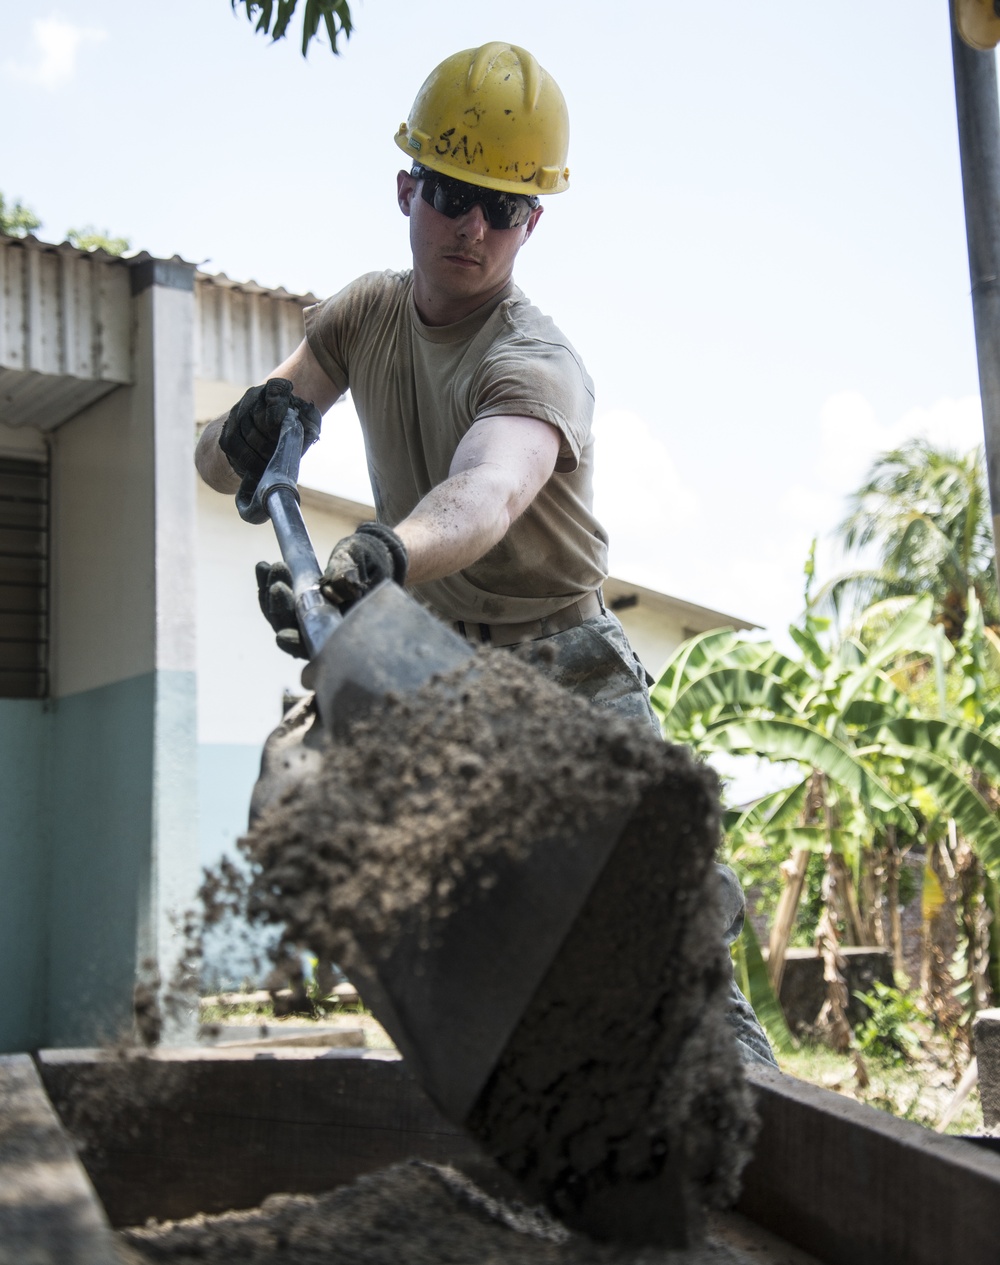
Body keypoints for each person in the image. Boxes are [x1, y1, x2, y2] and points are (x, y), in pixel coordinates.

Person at [195, 42, 776, 1067]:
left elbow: (488, 491)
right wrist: (241, 434)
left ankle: (753, 1127)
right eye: (454, 194)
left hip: (559, 663)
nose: (472, 227)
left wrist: (382, 552)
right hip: (425, 653)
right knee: (300, 799)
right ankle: (483, 1077)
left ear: (532, 221)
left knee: (675, 941)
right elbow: (225, 460)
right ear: (407, 186)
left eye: (502, 208)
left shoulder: (534, 357)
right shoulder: (364, 312)